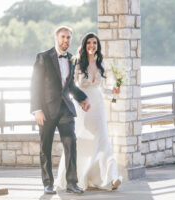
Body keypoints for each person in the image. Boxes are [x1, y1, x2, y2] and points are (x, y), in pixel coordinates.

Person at [55, 32, 122, 191]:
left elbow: (102, 89)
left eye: (95, 43)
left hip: (98, 105)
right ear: (84, 46)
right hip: (83, 105)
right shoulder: (77, 63)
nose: (92, 46)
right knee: (81, 140)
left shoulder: (101, 63)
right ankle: (76, 178)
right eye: (89, 43)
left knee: (103, 140)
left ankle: (111, 178)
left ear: (97, 46)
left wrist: (113, 91)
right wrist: (81, 101)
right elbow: (72, 87)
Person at [30, 26, 90, 195]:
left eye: (69, 37)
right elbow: (35, 85)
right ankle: (48, 183)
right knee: (46, 147)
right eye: (63, 37)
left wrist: (82, 98)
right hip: (46, 110)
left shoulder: (72, 58)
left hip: (65, 109)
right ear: (56, 38)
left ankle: (72, 183)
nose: (66, 40)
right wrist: (36, 109)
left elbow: (69, 86)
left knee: (71, 143)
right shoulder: (43, 57)